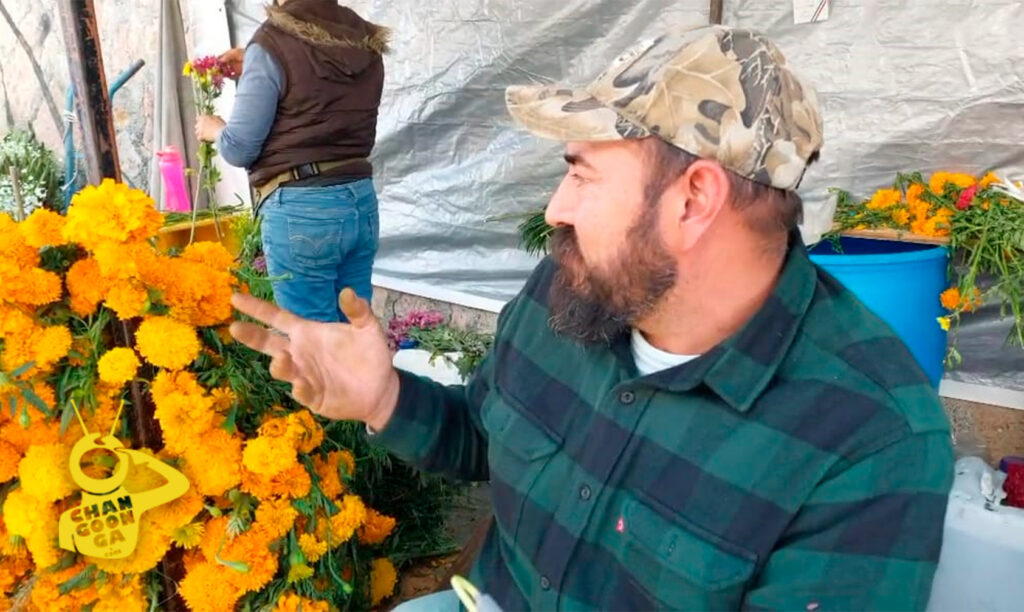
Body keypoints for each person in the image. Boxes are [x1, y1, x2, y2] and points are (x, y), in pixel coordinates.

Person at [229, 24, 955, 611]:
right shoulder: (574, 288)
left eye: (581, 173)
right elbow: (484, 437)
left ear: (694, 200)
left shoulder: (871, 437)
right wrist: (385, 398)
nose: (556, 210)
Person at [195, 0, 389, 322]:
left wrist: (214, 129)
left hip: (302, 208)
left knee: (309, 340)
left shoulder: (273, 42)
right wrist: (257, 61)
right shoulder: (361, 36)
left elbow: (239, 148)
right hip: (359, 199)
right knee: (356, 331)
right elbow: (316, 81)